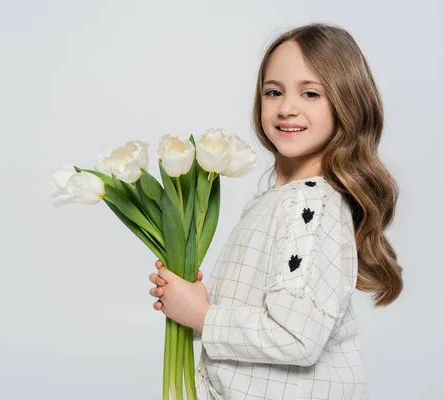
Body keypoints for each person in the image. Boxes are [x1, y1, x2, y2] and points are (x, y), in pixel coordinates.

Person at [148, 22, 403, 400]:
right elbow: (267, 313)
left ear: (347, 104)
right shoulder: (282, 198)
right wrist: (204, 300)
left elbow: (296, 337)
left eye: (311, 93)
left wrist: (203, 316)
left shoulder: (310, 206)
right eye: (273, 91)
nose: (287, 108)